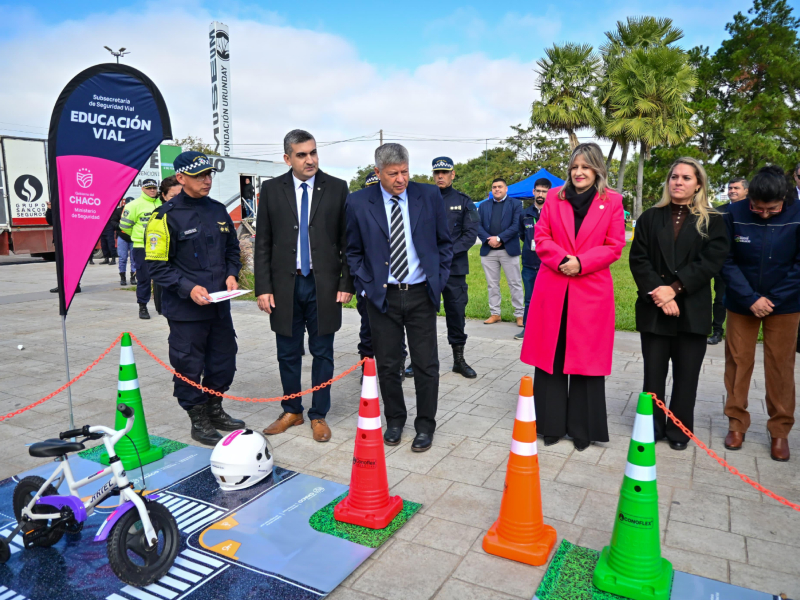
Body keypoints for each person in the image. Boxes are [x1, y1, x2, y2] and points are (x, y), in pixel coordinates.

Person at [345, 143, 452, 452]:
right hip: (383, 297)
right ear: (378, 172)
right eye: (393, 174)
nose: (401, 179)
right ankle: (394, 420)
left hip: (420, 294)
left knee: (426, 364)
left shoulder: (428, 196)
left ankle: (425, 426)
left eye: (405, 171)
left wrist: (439, 278)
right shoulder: (358, 202)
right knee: (389, 363)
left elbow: (444, 243)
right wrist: (364, 286)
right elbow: (352, 250)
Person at [520, 143, 625, 451]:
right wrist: (563, 259)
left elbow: (614, 245)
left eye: (586, 167)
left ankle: (583, 429)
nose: (579, 172)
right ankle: (550, 424)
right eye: (574, 167)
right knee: (551, 355)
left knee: (585, 359)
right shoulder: (554, 197)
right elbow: (541, 237)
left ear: (597, 170)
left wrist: (582, 262)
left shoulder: (613, 201)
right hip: (553, 286)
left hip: (591, 290)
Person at [255, 130, 354, 443]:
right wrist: (262, 287)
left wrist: (345, 282)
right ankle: (292, 410)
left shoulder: (337, 188)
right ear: (288, 158)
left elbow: (348, 241)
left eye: (313, 152)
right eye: (302, 155)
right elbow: (264, 243)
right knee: (287, 351)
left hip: (323, 286)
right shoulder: (271, 190)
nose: (310, 159)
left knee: (322, 352)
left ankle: (319, 415)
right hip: (285, 286)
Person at [145, 152, 245, 445]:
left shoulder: (217, 210)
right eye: (199, 175)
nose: (207, 180)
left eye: (209, 174)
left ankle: (214, 408)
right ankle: (197, 417)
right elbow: (156, 266)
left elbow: (231, 249)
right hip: (186, 310)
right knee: (189, 366)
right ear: (180, 178)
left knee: (224, 361)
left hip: (219, 305)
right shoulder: (164, 216)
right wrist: (187, 288)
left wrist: (231, 274)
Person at [629, 158, 729, 451]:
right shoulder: (650, 217)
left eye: (686, 178)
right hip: (654, 309)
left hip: (691, 310)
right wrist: (659, 294)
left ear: (698, 184)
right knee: (653, 374)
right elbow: (638, 259)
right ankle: (652, 426)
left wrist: (675, 290)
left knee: (687, 377)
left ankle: (678, 430)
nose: (679, 182)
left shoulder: (713, 220)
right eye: (674, 177)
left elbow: (711, 262)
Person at [721, 165, 800, 462]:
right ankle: (736, 423)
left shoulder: (798, 213)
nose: (764, 214)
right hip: (742, 302)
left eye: (772, 209)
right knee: (738, 362)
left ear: (785, 198)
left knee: (781, 366)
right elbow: (725, 260)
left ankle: (779, 431)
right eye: (757, 208)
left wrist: (773, 299)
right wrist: (750, 298)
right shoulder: (734, 213)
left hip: (786, 303)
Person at [429, 156, 480, 378]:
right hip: (428, 269)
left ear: (453, 174)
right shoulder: (425, 199)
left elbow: (470, 234)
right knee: (422, 316)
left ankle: (458, 359)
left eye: (444, 172)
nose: (440, 176)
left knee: (456, 314)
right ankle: (421, 360)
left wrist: (447, 252)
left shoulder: (464, 201)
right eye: (436, 173)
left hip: (454, 268)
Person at [477, 178, 524, 326]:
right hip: (488, 251)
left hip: (508, 250)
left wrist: (499, 238)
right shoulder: (483, 206)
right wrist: (488, 239)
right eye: (494, 187)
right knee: (492, 284)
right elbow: (477, 226)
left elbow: (516, 225)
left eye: (500, 187)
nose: (497, 189)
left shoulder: (516, 204)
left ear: (506, 189)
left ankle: (520, 315)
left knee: (515, 283)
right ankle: (495, 313)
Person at [709, 177, 749, 345]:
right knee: (720, 298)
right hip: (721, 262)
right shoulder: (719, 211)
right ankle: (717, 331)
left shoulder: (753, 210)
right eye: (730, 188)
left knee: (744, 298)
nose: (732, 191)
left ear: (746, 191)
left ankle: (743, 336)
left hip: (745, 264)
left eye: (736, 188)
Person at [515, 178, 551, 341]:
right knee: (529, 299)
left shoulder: (552, 213)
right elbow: (522, 235)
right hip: (529, 263)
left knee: (548, 300)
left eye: (544, 192)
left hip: (548, 264)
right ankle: (527, 329)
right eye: (538, 191)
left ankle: (547, 329)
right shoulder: (525, 214)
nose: (541, 194)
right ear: (533, 192)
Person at [120, 179, 161, 319]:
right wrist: (139, 237)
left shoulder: (162, 203)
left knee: (164, 277)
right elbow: (124, 226)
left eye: (154, 188)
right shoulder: (134, 205)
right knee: (144, 278)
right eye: (149, 188)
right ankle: (142, 306)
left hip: (161, 248)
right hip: (141, 247)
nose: (152, 190)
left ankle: (164, 305)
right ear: (142, 189)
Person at [152, 176, 182, 316]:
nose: (177, 199)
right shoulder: (160, 215)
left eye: (181, 195)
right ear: (163, 196)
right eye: (173, 196)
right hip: (169, 276)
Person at [45, 202, 82, 293]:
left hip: (71, 240)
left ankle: (75, 286)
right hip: (59, 240)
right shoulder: (58, 209)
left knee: (71, 265)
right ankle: (63, 285)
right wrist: (50, 209)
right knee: (61, 265)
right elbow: (50, 221)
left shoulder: (72, 208)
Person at [116, 197, 136, 286]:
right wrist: (121, 226)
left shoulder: (136, 211)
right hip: (122, 237)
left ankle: (133, 277)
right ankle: (122, 278)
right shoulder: (118, 211)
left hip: (133, 237)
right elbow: (112, 222)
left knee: (134, 259)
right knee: (122, 258)